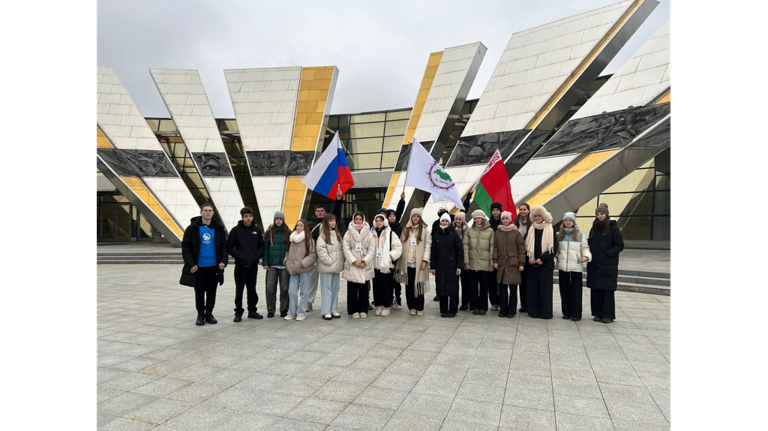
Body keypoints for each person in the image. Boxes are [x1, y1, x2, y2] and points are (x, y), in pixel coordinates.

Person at [182, 203, 228, 326]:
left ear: (213, 213)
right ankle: (200, 315)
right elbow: (186, 247)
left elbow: (224, 246)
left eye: (210, 211)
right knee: (200, 292)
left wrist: (223, 261)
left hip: (214, 266)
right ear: (201, 212)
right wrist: (191, 264)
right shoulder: (192, 228)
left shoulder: (218, 228)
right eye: (205, 210)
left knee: (212, 291)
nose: (208, 212)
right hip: (199, 267)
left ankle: (209, 314)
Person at [306, 189, 343, 312]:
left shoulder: (330, 224)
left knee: (329, 284)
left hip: (327, 258)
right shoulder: (309, 225)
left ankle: (329, 307)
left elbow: (336, 212)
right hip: (314, 258)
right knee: (312, 281)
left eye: (322, 211)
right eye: (318, 211)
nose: (320, 213)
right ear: (315, 213)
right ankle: (308, 302)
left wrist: (338, 199)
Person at [226, 207, 265, 322]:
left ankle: (252, 311)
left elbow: (261, 246)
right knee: (239, 290)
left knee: (252, 289)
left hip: (253, 266)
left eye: (250, 216)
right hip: (240, 266)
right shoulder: (235, 230)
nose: (248, 218)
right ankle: (238, 312)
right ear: (242, 217)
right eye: (246, 216)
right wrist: (239, 256)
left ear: (252, 217)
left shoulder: (257, 230)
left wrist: (257, 255)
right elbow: (229, 247)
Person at [587, 204, 624, 324]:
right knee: (596, 289)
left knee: (607, 290)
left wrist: (609, 253)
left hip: (607, 265)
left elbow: (619, 245)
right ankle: (597, 313)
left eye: (602, 214)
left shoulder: (613, 228)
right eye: (597, 214)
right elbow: (590, 242)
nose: (600, 216)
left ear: (606, 214)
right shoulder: (594, 228)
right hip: (595, 264)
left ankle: (608, 315)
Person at [394, 208, 431, 316]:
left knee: (419, 284)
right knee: (409, 285)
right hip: (407, 263)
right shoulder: (406, 230)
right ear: (411, 217)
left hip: (419, 263)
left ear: (420, 218)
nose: (415, 218)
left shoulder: (425, 231)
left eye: (417, 216)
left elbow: (427, 246)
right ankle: (412, 306)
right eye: (414, 216)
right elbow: (400, 244)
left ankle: (420, 307)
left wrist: (425, 260)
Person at [556, 212, 591, 321]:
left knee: (576, 291)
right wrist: (557, 254)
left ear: (574, 222)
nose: (568, 222)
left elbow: (585, 248)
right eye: (566, 220)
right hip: (563, 267)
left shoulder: (580, 235)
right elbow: (555, 248)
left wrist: (586, 257)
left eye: (570, 220)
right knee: (564, 290)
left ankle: (576, 313)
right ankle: (566, 312)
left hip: (576, 267)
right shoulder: (558, 235)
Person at [525, 205, 558, 319]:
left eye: (539, 215)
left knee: (545, 290)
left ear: (543, 216)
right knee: (533, 289)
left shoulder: (550, 228)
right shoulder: (531, 228)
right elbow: (526, 246)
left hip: (545, 265)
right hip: (532, 264)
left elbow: (553, 248)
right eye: (536, 216)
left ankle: (545, 312)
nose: (538, 218)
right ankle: (533, 311)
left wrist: (542, 259)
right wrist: (529, 258)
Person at [492, 211, 526, 318]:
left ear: (510, 219)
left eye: (507, 218)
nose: (505, 221)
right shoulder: (498, 232)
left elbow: (521, 248)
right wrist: (495, 261)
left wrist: (521, 263)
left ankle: (511, 310)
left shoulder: (516, 232)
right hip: (502, 263)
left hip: (513, 264)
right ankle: (503, 309)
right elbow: (495, 247)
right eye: (503, 219)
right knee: (502, 288)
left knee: (513, 289)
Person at [342, 212, 376, 318]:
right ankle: (353, 310)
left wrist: (365, 261)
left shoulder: (369, 233)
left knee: (364, 289)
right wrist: (353, 261)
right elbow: (345, 248)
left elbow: (372, 249)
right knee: (352, 289)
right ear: (353, 220)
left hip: (364, 264)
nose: (358, 221)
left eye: (360, 219)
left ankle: (363, 309)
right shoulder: (348, 233)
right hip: (353, 263)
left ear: (363, 220)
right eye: (356, 219)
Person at [431, 213, 464, 318]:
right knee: (442, 288)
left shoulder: (454, 235)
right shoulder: (436, 235)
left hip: (452, 266)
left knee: (453, 288)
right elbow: (433, 252)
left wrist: (459, 266)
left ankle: (453, 310)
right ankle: (443, 310)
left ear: (450, 222)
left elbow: (460, 252)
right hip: (440, 266)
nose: (444, 223)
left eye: (446, 221)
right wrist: (433, 266)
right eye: (443, 221)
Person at [284, 219, 317, 321]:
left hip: (304, 270)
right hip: (293, 270)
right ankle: (292, 312)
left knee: (304, 292)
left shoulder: (309, 240)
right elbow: (288, 253)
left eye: (301, 225)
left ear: (305, 227)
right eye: (297, 225)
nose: (298, 227)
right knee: (292, 291)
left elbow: (312, 255)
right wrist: (287, 262)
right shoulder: (292, 239)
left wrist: (303, 264)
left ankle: (301, 312)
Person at [463, 210, 494, 315]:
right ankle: (474, 306)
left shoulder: (490, 231)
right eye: (475, 218)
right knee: (473, 286)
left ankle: (483, 307)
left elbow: (492, 248)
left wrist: (491, 263)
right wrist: (466, 262)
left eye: (479, 218)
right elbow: (465, 247)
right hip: (472, 263)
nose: (477, 220)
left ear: (483, 219)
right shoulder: (469, 231)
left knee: (484, 287)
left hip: (484, 264)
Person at [371, 214, 403, 317]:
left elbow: (398, 247)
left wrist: (389, 256)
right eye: (377, 221)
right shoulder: (372, 233)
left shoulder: (390, 233)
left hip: (386, 265)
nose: (378, 223)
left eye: (380, 220)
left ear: (384, 221)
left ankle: (386, 306)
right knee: (377, 286)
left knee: (386, 286)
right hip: (375, 264)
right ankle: (379, 304)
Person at [316, 213, 345, 320]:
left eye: (334, 220)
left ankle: (333, 309)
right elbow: (321, 251)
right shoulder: (322, 235)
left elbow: (341, 248)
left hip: (336, 266)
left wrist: (340, 260)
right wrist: (330, 261)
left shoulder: (337, 234)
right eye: (331, 221)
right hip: (327, 267)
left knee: (335, 288)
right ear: (326, 222)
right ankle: (326, 310)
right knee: (326, 289)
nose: (333, 222)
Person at [263, 211, 291, 318]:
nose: (278, 221)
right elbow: (266, 248)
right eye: (277, 219)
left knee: (285, 288)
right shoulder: (269, 232)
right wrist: (265, 262)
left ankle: (284, 309)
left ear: (283, 220)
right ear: (274, 220)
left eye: (280, 219)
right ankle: (271, 309)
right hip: (272, 265)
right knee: (270, 287)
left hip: (284, 265)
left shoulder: (288, 232)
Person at [386, 193, 406, 308]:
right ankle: (390, 299)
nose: (392, 217)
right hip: (387, 256)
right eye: (390, 216)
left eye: (394, 216)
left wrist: (402, 200)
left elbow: (400, 211)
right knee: (388, 280)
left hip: (397, 257)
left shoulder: (400, 227)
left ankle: (398, 299)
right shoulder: (385, 228)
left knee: (396, 280)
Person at [515, 203, 532, 314]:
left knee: (529, 282)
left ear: (529, 211)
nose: (522, 211)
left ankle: (530, 304)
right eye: (520, 209)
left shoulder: (532, 223)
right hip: (517, 254)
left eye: (524, 209)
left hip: (529, 254)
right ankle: (523, 304)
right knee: (521, 282)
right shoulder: (515, 222)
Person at [453, 212, 470, 311]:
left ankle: (465, 303)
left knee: (465, 283)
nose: (458, 221)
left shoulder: (468, 230)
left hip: (465, 260)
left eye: (460, 219)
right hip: (454, 260)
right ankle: (454, 302)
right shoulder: (451, 230)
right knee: (454, 283)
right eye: (457, 219)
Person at [488, 202, 503, 310]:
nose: (495, 212)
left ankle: (502, 301)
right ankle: (494, 302)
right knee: (492, 281)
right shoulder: (488, 223)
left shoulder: (504, 222)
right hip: (491, 254)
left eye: (497, 210)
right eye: (493, 210)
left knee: (502, 280)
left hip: (502, 254)